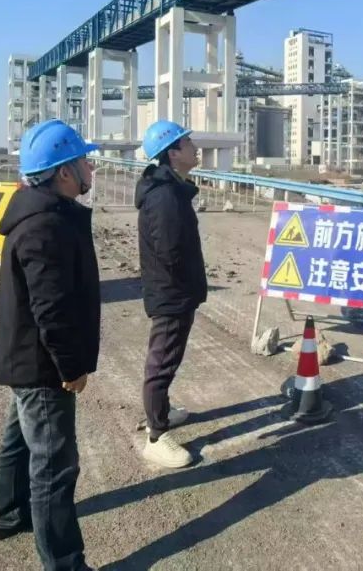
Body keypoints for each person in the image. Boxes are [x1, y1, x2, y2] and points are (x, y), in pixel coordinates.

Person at [0, 120, 100, 571]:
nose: (91, 167)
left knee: (19, 440)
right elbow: (51, 310)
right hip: (43, 366)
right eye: (84, 160)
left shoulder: (42, 214)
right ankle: (64, 563)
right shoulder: (46, 227)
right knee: (54, 466)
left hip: (26, 359)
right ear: (63, 172)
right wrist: (71, 368)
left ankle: (9, 513)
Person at [135, 119, 208, 468]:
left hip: (175, 291)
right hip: (171, 294)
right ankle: (156, 436)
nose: (195, 147)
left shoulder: (171, 188)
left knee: (168, 358)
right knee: (161, 363)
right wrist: (185, 285)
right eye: (187, 142)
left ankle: (160, 412)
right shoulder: (164, 196)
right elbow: (169, 252)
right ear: (173, 153)